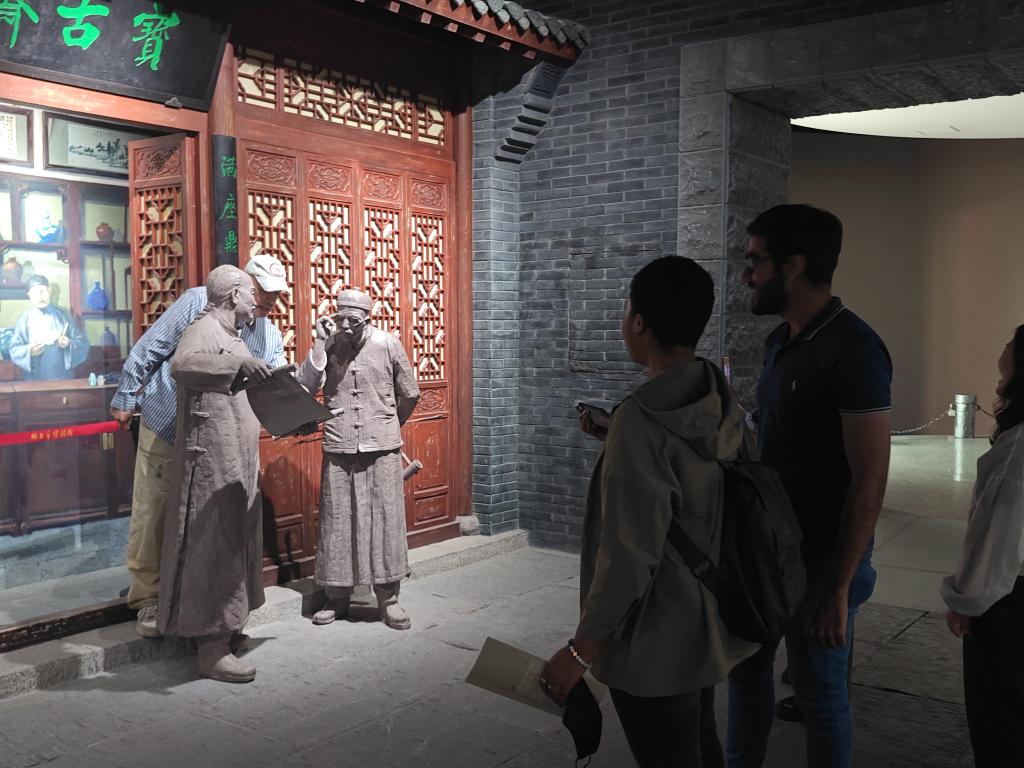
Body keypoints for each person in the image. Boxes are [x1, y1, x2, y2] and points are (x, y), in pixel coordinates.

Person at [544, 256, 759, 767]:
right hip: (709, 616)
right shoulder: (717, 395)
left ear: (639, 322)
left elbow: (628, 555)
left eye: (626, 312)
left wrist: (580, 650)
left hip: (656, 638)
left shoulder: (640, 422)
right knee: (700, 744)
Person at [727, 204, 892, 768]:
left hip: (822, 558)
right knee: (747, 673)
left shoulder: (855, 348)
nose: (746, 276)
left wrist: (838, 589)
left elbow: (870, 480)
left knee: (820, 694)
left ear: (793, 266)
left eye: (755, 261)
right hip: (766, 548)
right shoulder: (780, 340)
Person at [109, 254, 288, 638]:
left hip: (221, 444)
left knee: (207, 518)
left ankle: (195, 601)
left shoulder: (268, 333)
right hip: (169, 424)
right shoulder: (198, 303)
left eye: (276, 294)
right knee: (155, 511)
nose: (270, 301)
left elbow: (276, 384)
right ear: (242, 287)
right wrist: (126, 395)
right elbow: (153, 348)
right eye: (263, 292)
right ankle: (148, 598)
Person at [156, 265, 273, 683]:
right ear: (233, 294)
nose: (256, 300)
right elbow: (183, 365)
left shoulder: (234, 334)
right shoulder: (203, 328)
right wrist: (240, 366)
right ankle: (211, 649)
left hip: (235, 458)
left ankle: (227, 627)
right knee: (214, 544)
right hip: (212, 461)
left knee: (234, 540)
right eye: (251, 292)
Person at [295, 289, 420, 630]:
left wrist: (388, 423)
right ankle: (337, 597)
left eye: (354, 321)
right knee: (337, 521)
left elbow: (410, 392)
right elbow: (305, 386)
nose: (346, 327)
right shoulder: (330, 344)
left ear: (368, 319)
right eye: (341, 319)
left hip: (382, 448)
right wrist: (319, 343)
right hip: (339, 446)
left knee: (386, 521)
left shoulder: (388, 343)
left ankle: (388, 598)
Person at [942, 325, 1024, 768]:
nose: (1003, 348)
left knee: (999, 719)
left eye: (1012, 343)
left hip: (1007, 607)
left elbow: (994, 536)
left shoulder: (1017, 450)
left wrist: (966, 602)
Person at [9, 274, 88, 380]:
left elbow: (82, 343)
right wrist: (29, 351)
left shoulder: (63, 315)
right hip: (35, 376)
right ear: (29, 296)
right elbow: (14, 349)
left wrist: (68, 343)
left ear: (49, 291)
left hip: (61, 375)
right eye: (35, 293)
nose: (40, 297)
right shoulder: (25, 319)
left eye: (43, 291)